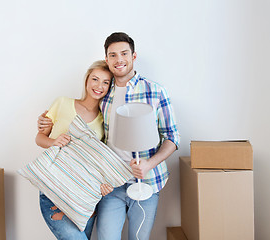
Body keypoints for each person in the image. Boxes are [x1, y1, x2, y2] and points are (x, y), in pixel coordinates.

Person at [38, 32, 181, 240]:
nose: (119, 59)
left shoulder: (155, 91)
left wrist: (149, 164)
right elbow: (85, 125)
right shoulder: (104, 91)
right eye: (112, 55)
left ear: (133, 56)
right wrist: (45, 123)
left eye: (124, 53)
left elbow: (172, 137)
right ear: (107, 59)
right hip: (110, 184)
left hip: (147, 182)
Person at [35, 60, 114, 240]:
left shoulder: (105, 119)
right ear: (87, 80)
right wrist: (55, 141)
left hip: (85, 194)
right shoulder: (62, 103)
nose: (99, 86)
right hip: (54, 188)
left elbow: (100, 160)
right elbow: (39, 138)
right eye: (95, 79)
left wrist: (103, 183)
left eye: (105, 82)